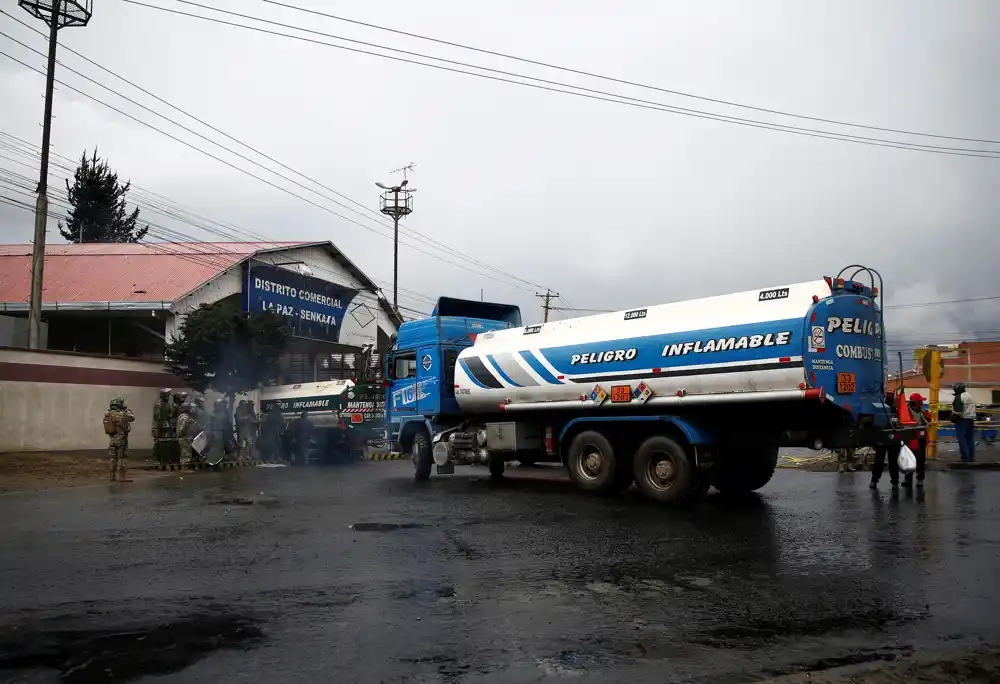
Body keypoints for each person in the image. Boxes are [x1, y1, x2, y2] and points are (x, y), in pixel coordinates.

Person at [871, 391, 902, 490]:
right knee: (880, 461)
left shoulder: (897, 409)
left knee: (891, 462)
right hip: (884, 438)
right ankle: (876, 480)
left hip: (891, 439)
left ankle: (893, 482)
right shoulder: (881, 408)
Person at [104, 396, 135, 482]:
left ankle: (112, 476)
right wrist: (126, 409)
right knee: (122, 457)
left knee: (112, 458)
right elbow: (132, 417)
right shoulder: (121, 414)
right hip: (121, 439)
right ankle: (122, 477)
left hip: (113, 439)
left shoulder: (108, 414)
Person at [903, 393, 930, 488]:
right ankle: (908, 478)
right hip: (909, 438)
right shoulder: (905, 411)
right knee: (908, 460)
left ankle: (920, 478)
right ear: (917, 402)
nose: (922, 403)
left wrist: (924, 412)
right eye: (920, 401)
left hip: (920, 438)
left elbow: (929, 419)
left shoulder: (922, 411)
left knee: (920, 460)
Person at [952, 382, 977, 462]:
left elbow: (958, 410)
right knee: (969, 439)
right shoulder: (969, 395)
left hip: (962, 420)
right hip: (970, 420)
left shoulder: (959, 397)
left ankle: (965, 457)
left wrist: (952, 414)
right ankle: (971, 456)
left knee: (961, 439)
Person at [151, 388, 173, 466]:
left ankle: (163, 459)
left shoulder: (167, 404)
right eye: (167, 395)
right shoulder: (159, 404)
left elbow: (169, 414)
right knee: (157, 443)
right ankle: (156, 459)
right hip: (158, 426)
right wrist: (164, 423)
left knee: (164, 443)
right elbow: (158, 416)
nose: (168, 397)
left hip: (165, 425)